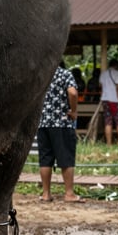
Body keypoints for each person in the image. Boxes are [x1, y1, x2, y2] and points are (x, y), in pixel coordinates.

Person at [37, 65, 84, 203]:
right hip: (61, 122)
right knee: (66, 157)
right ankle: (69, 194)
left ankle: (46, 194)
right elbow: (73, 93)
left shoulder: (43, 74)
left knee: (45, 159)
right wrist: (74, 111)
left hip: (43, 122)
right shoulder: (65, 74)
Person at [100, 58, 118, 147]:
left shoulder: (103, 74)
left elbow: (101, 86)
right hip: (115, 100)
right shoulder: (117, 74)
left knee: (108, 122)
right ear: (116, 65)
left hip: (105, 100)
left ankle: (108, 144)